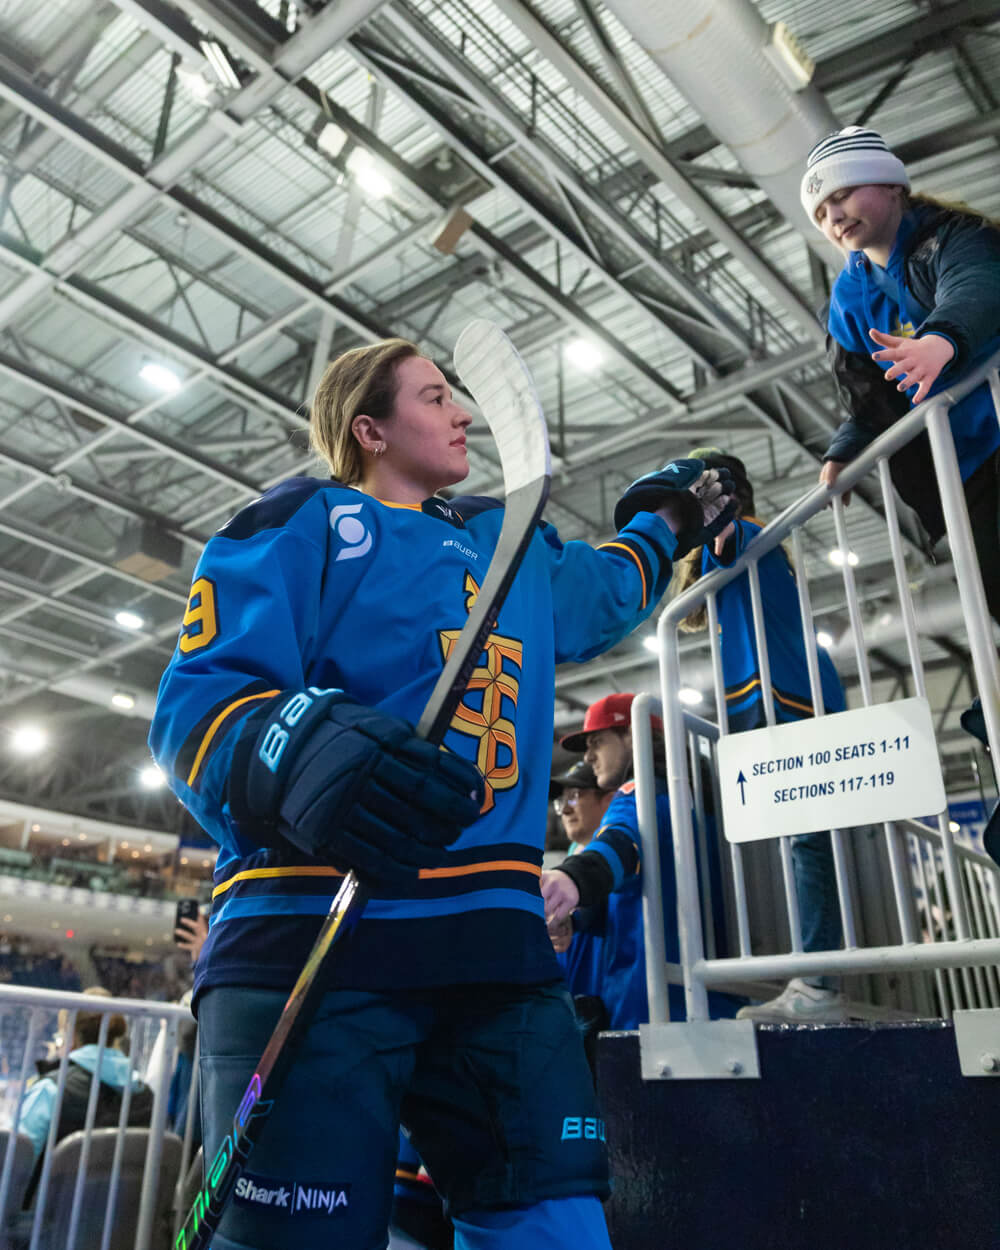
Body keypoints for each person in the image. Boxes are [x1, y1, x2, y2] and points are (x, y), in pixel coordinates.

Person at [148, 335, 735, 1250]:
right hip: (316, 943)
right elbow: (197, 706)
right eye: (433, 397)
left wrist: (675, 511)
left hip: (497, 959)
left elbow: (613, 587)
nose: (462, 411)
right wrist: (303, 750)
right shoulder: (303, 521)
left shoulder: (515, 550)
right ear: (369, 428)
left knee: (558, 1231)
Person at [671, 448, 848, 1023]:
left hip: (787, 698)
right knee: (804, 841)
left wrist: (698, 512)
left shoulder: (740, 533)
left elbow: (717, 536)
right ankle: (818, 974)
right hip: (781, 698)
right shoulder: (753, 544)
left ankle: (819, 979)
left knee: (807, 841)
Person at [801, 125, 1000, 628]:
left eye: (842, 194)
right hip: (963, 464)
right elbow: (868, 391)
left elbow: (977, 285)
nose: (834, 215)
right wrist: (847, 446)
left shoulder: (955, 235)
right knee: (991, 587)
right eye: (821, 211)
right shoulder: (849, 297)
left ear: (892, 185)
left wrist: (942, 339)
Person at [541, 693, 742, 1028]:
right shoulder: (701, 795)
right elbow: (648, 884)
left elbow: (621, 842)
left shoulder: (641, 795)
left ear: (633, 736)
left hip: (648, 1009)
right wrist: (579, 921)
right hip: (717, 997)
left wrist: (573, 878)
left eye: (598, 742)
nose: (589, 756)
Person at [18, 987, 154, 1199]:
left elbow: (15, 1164)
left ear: (71, 1036)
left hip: (46, 1222)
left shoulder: (51, 1088)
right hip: (121, 1222)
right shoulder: (145, 1095)